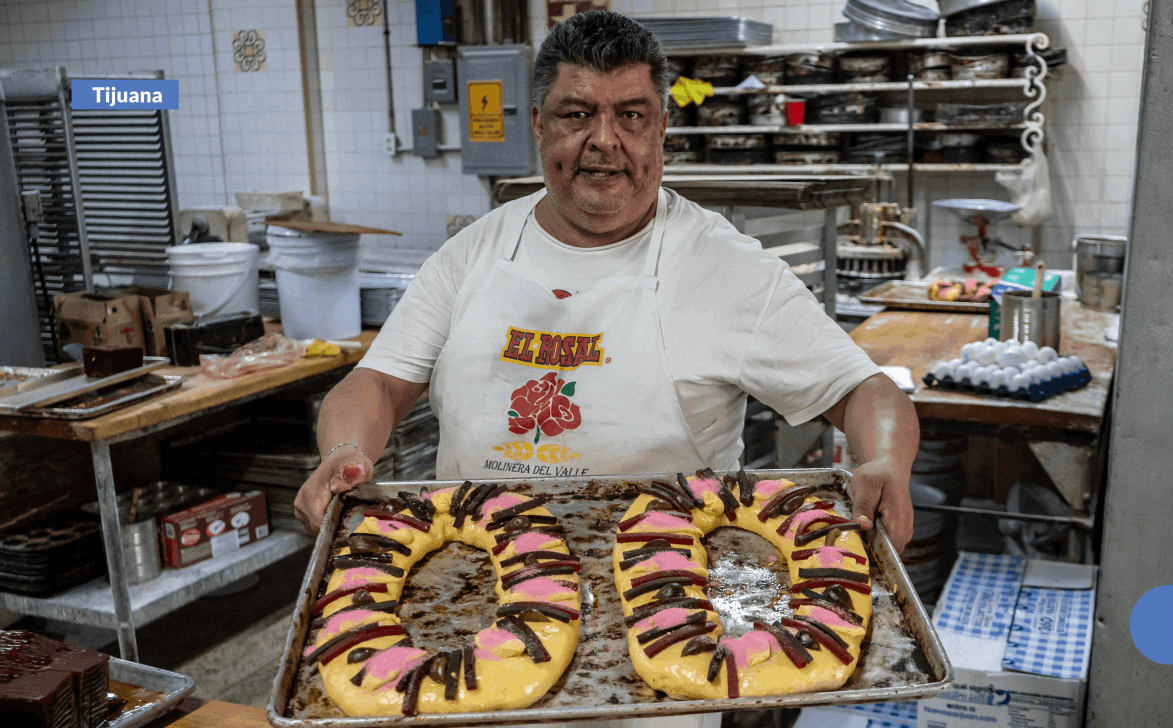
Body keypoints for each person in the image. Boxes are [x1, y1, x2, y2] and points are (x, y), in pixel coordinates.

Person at [294, 11, 917, 726]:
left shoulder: (725, 268)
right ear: (537, 125)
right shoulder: (474, 252)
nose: (604, 141)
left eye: (631, 115)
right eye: (576, 113)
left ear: (661, 131)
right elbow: (375, 383)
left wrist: (886, 462)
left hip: (658, 655)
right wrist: (346, 451)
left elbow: (865, 390)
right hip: (456, 612)